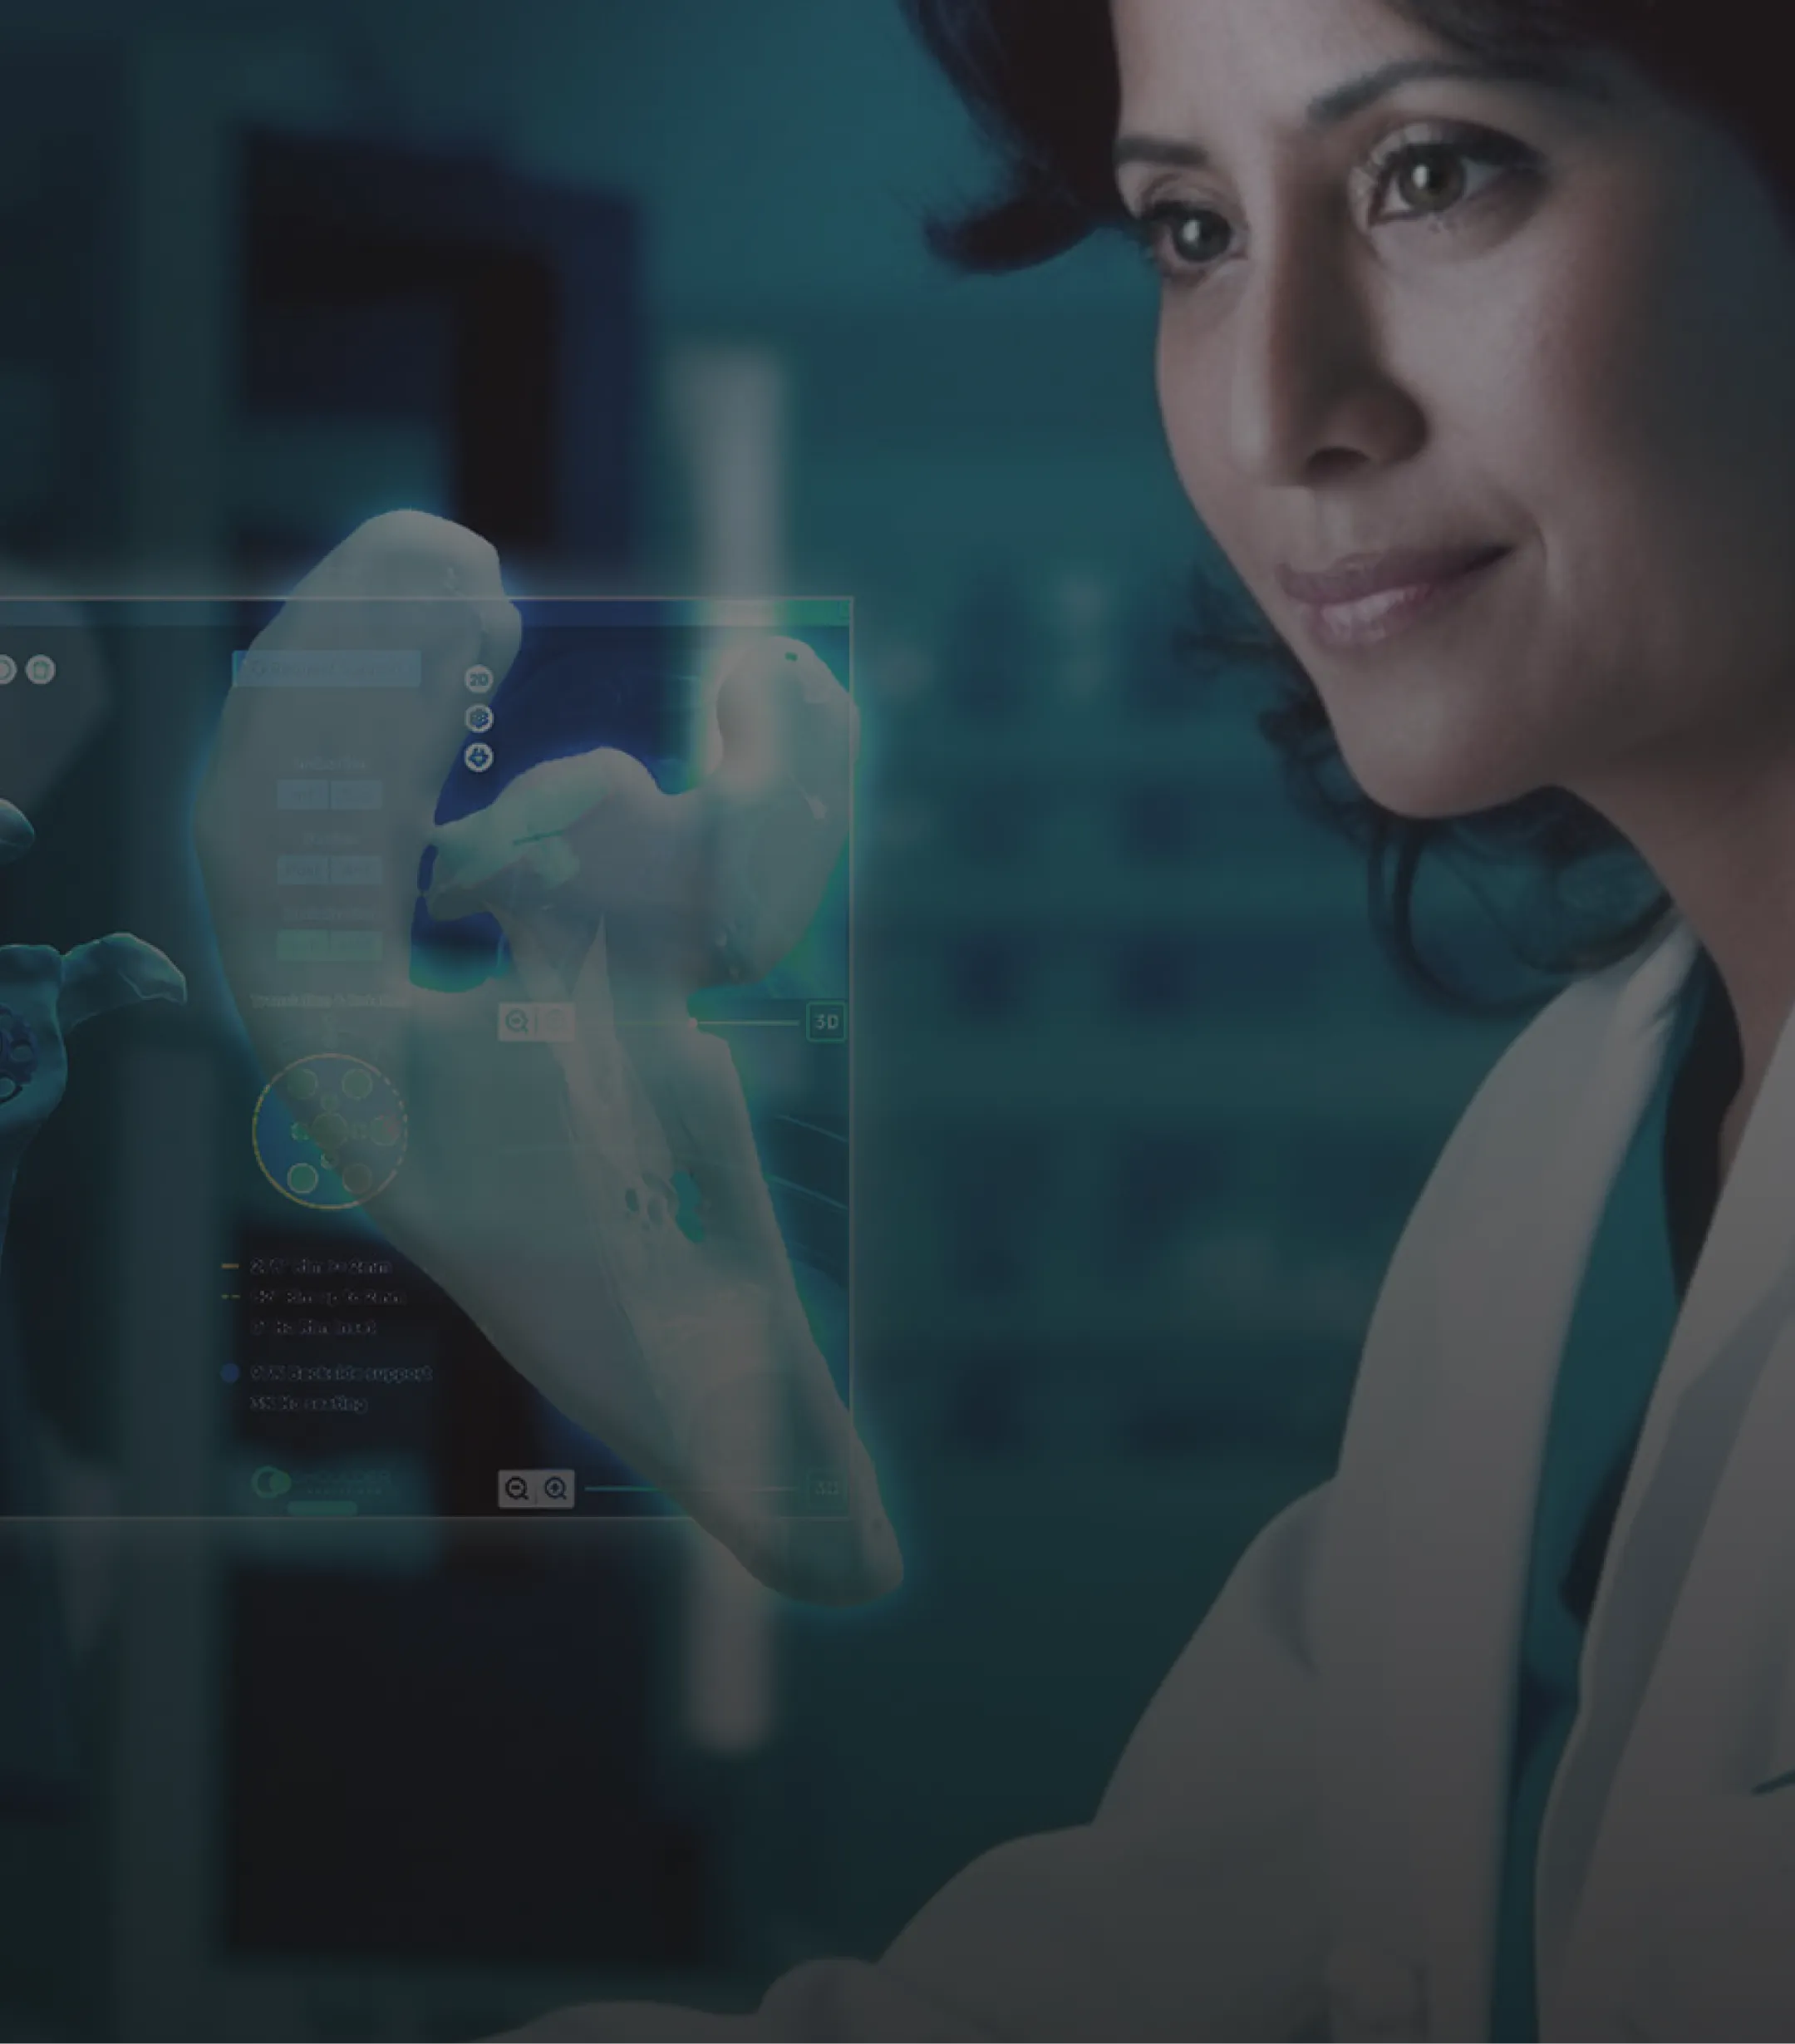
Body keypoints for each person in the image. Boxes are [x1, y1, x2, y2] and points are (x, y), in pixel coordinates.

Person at [425, 0, 1795, 2037]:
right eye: (1192, 231)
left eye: (1437, 171)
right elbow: (1140, 1975)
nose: (1276, 410)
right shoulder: (1569, 1166)